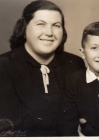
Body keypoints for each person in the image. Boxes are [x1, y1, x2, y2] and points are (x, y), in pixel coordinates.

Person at [0, 0, 85, 136]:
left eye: (56, 25)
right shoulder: (3, 66)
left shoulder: (75, 64)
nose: (49, 33)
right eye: (41, 24)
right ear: (24, 28)